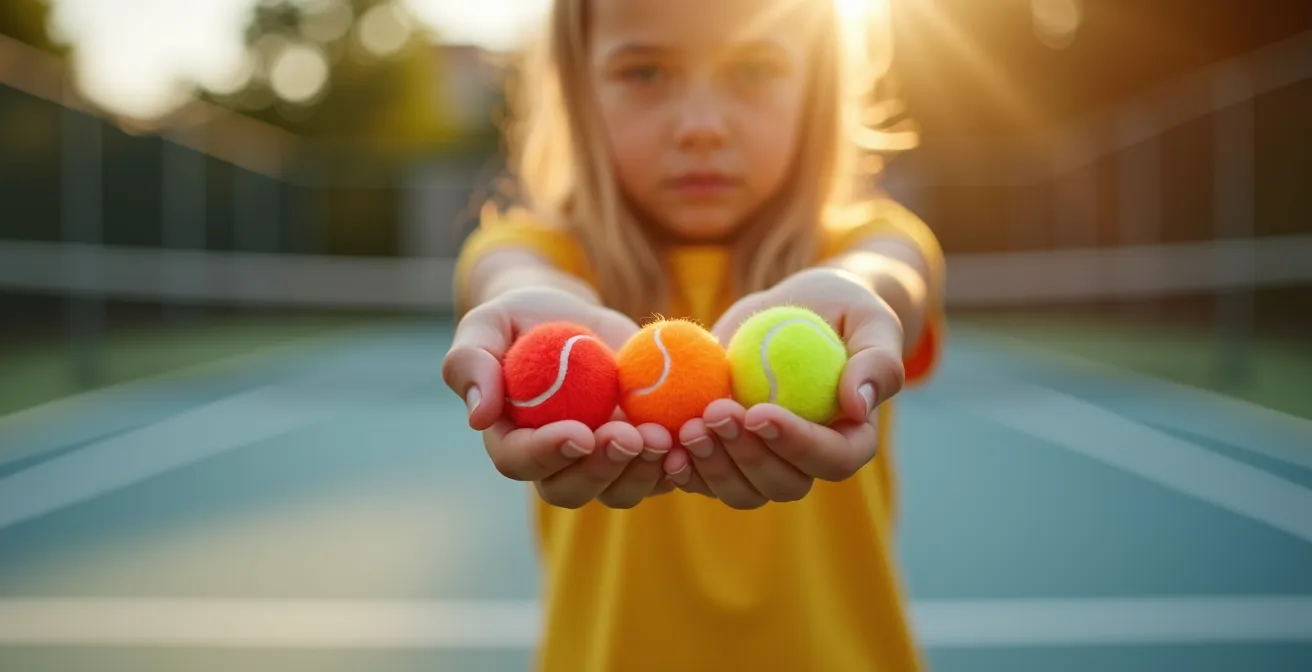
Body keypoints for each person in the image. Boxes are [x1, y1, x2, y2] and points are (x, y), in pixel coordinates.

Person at [442, 0, 945, 669]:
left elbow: (887, 276)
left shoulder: (867, 241)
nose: (701, 127)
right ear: (580, 91)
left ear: (818, 86)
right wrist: (533, 306)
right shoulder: (537, 252)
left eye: (756, 68)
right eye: (645, 73)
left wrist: (861, 296)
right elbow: (506, 275)